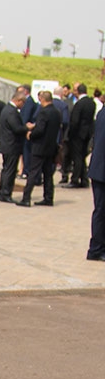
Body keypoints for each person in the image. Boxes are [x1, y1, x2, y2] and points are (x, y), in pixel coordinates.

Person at [18, 91, 61, 207]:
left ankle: (26, 198)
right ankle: (48, 197)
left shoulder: (43, 112)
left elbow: (40, 130)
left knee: (33, 172)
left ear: (42, 99)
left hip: (40, 146)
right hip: (51, 147)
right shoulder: (56, 112)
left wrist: (30, 134)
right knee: (48, 174)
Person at [0, 89, 30, 203]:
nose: (23, 106)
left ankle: (2, 192)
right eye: (23, 103)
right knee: (10, 171)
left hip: (7, 144)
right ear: (19, 100)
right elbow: (17, 128)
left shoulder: (6, 109)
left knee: (6, 169)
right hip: (12, 145)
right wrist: (27, 127)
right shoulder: (12, 112)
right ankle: (5, 193)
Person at [64, 83, 96, 188]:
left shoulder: (79, 104)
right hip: (87, 133)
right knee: (82, 156)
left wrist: (70, 134)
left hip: (77, 134)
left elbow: (75, 121)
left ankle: (75, 179)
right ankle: (84, 179)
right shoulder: (91, 103)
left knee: (77, 157)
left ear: (78, 91)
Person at [87, 101, 105, 261]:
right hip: (101, 170)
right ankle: (96, 249)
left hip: (98, 169)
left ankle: (97, 247)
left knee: (100, 210)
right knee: (101, 211)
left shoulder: (101, 113)